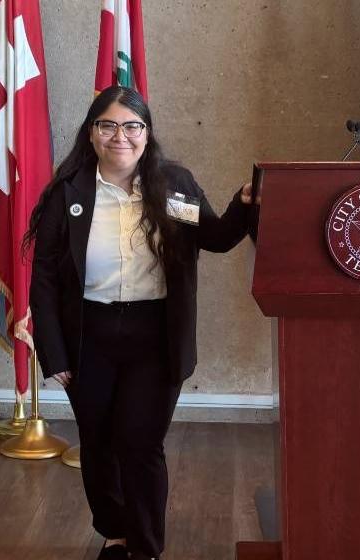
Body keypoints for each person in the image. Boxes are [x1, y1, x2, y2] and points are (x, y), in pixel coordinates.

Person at [26, 85, 259, 560]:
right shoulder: (67, 193)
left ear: (147, 134)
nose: (121, 137)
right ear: (91, 134)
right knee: (98, 442)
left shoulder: (173, 185)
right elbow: (46, 279)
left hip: (155, 336)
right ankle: (115, 533)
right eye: (108, 125)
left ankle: (146, 548)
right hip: (88, 336)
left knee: (140, 440)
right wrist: (53, 351)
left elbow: (215, 236)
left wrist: (245, 202)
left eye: (132, 126)